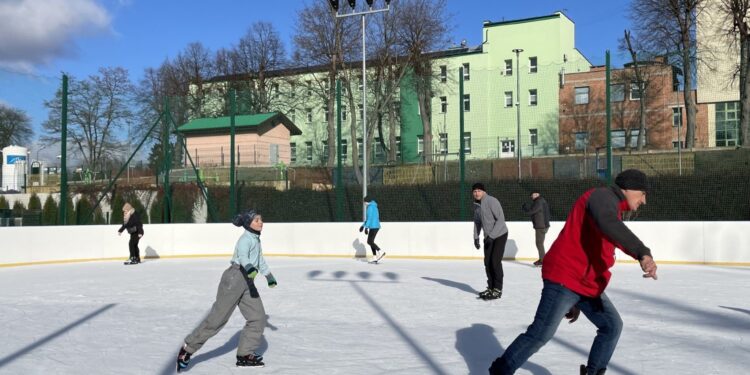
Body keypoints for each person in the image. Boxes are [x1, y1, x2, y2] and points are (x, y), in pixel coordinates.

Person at [489, 169, 658, 375]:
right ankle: (499, 371)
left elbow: (597, 244)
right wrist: (642, 253)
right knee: (540, 334)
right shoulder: (602, 197)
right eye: (643, 194)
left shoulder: (612, 206)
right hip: (565, 277)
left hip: (584, 284)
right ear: (629, 188)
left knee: (612, 326)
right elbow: (609, 224)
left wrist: (577, 299)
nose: (645, 200)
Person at [176, 210, 277, 372]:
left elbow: (260, 259)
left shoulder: (256, 240)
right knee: (217, 319)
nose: (260, 222)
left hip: (247, 281)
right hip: (235, 278)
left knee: (258, 317)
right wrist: (250, 267)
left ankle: (244, 354)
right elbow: (243, 257)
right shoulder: (245, 239)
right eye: (257, 220)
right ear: (248, 223)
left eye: (261, 219)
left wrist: (269, 275)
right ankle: (187, 349)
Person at [472, 182, 508, 300]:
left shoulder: (492, 201)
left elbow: (501, 220)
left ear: (483, 191)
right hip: (489, 237)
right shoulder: (477, 205)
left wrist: (492, 236)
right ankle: (491, 287)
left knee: (495, 262)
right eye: (475, 191)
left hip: (499, 235)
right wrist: (476, 237)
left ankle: (497, 289)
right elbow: (477, 222)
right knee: (487, 262)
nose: (476, 193)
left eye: (479, 191)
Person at [522, 192, 551, 266]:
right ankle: (542, 259)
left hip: (541, 226)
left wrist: (525, 208)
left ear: (538, 194)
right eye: (532, 195)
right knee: (539, 243)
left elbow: (532, 211)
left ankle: (543, 260)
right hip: (542, 225)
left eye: (533, 194)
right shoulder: (541, 201)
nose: (532, 196)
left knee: (539, 243)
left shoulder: (539, 202)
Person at [359, 195, 385, 262]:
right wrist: (363, 225)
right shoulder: (374, 206)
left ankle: (380, 251)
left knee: (370, 241)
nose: (364, 204)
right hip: (376, 226)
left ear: (367, 202)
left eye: (364, 202)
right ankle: (374, 257)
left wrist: (366, 227)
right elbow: (371, 218)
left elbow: (369, 218)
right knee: (371, 242)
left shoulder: (370, 208)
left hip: (373, 226)